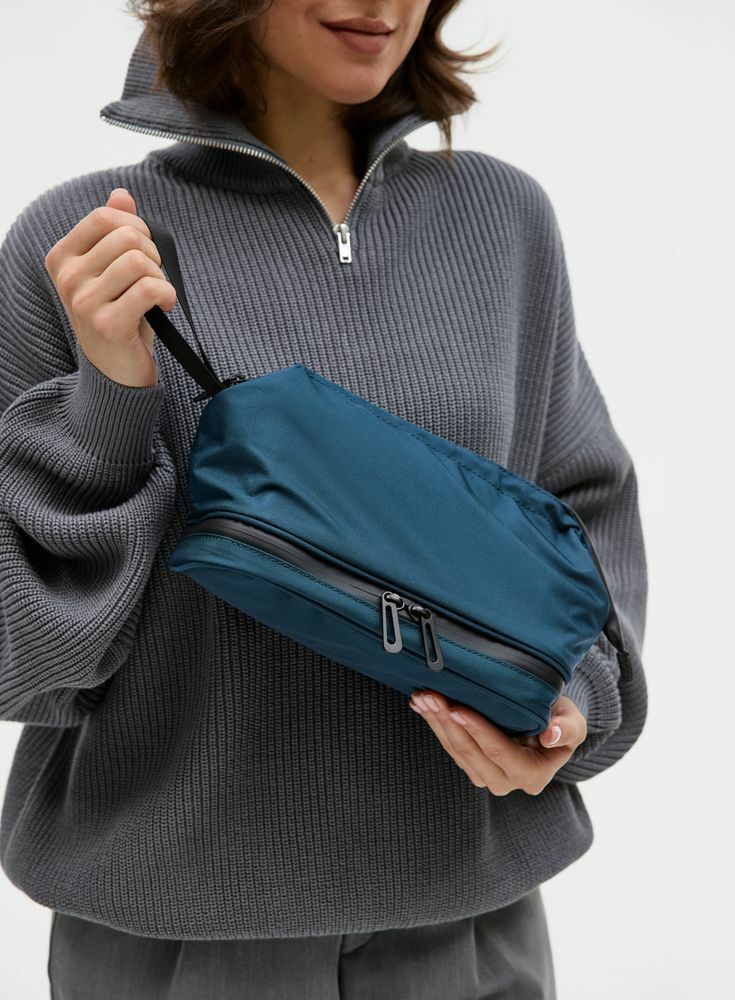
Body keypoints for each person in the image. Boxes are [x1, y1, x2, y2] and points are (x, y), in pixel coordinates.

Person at [0, 2, 648, 998]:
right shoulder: (84, 245)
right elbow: (22, 663)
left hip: (468, 932)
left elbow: (582, 515)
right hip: (173, 947)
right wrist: (110, 406)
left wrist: (570, 707)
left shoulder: (502, 219)